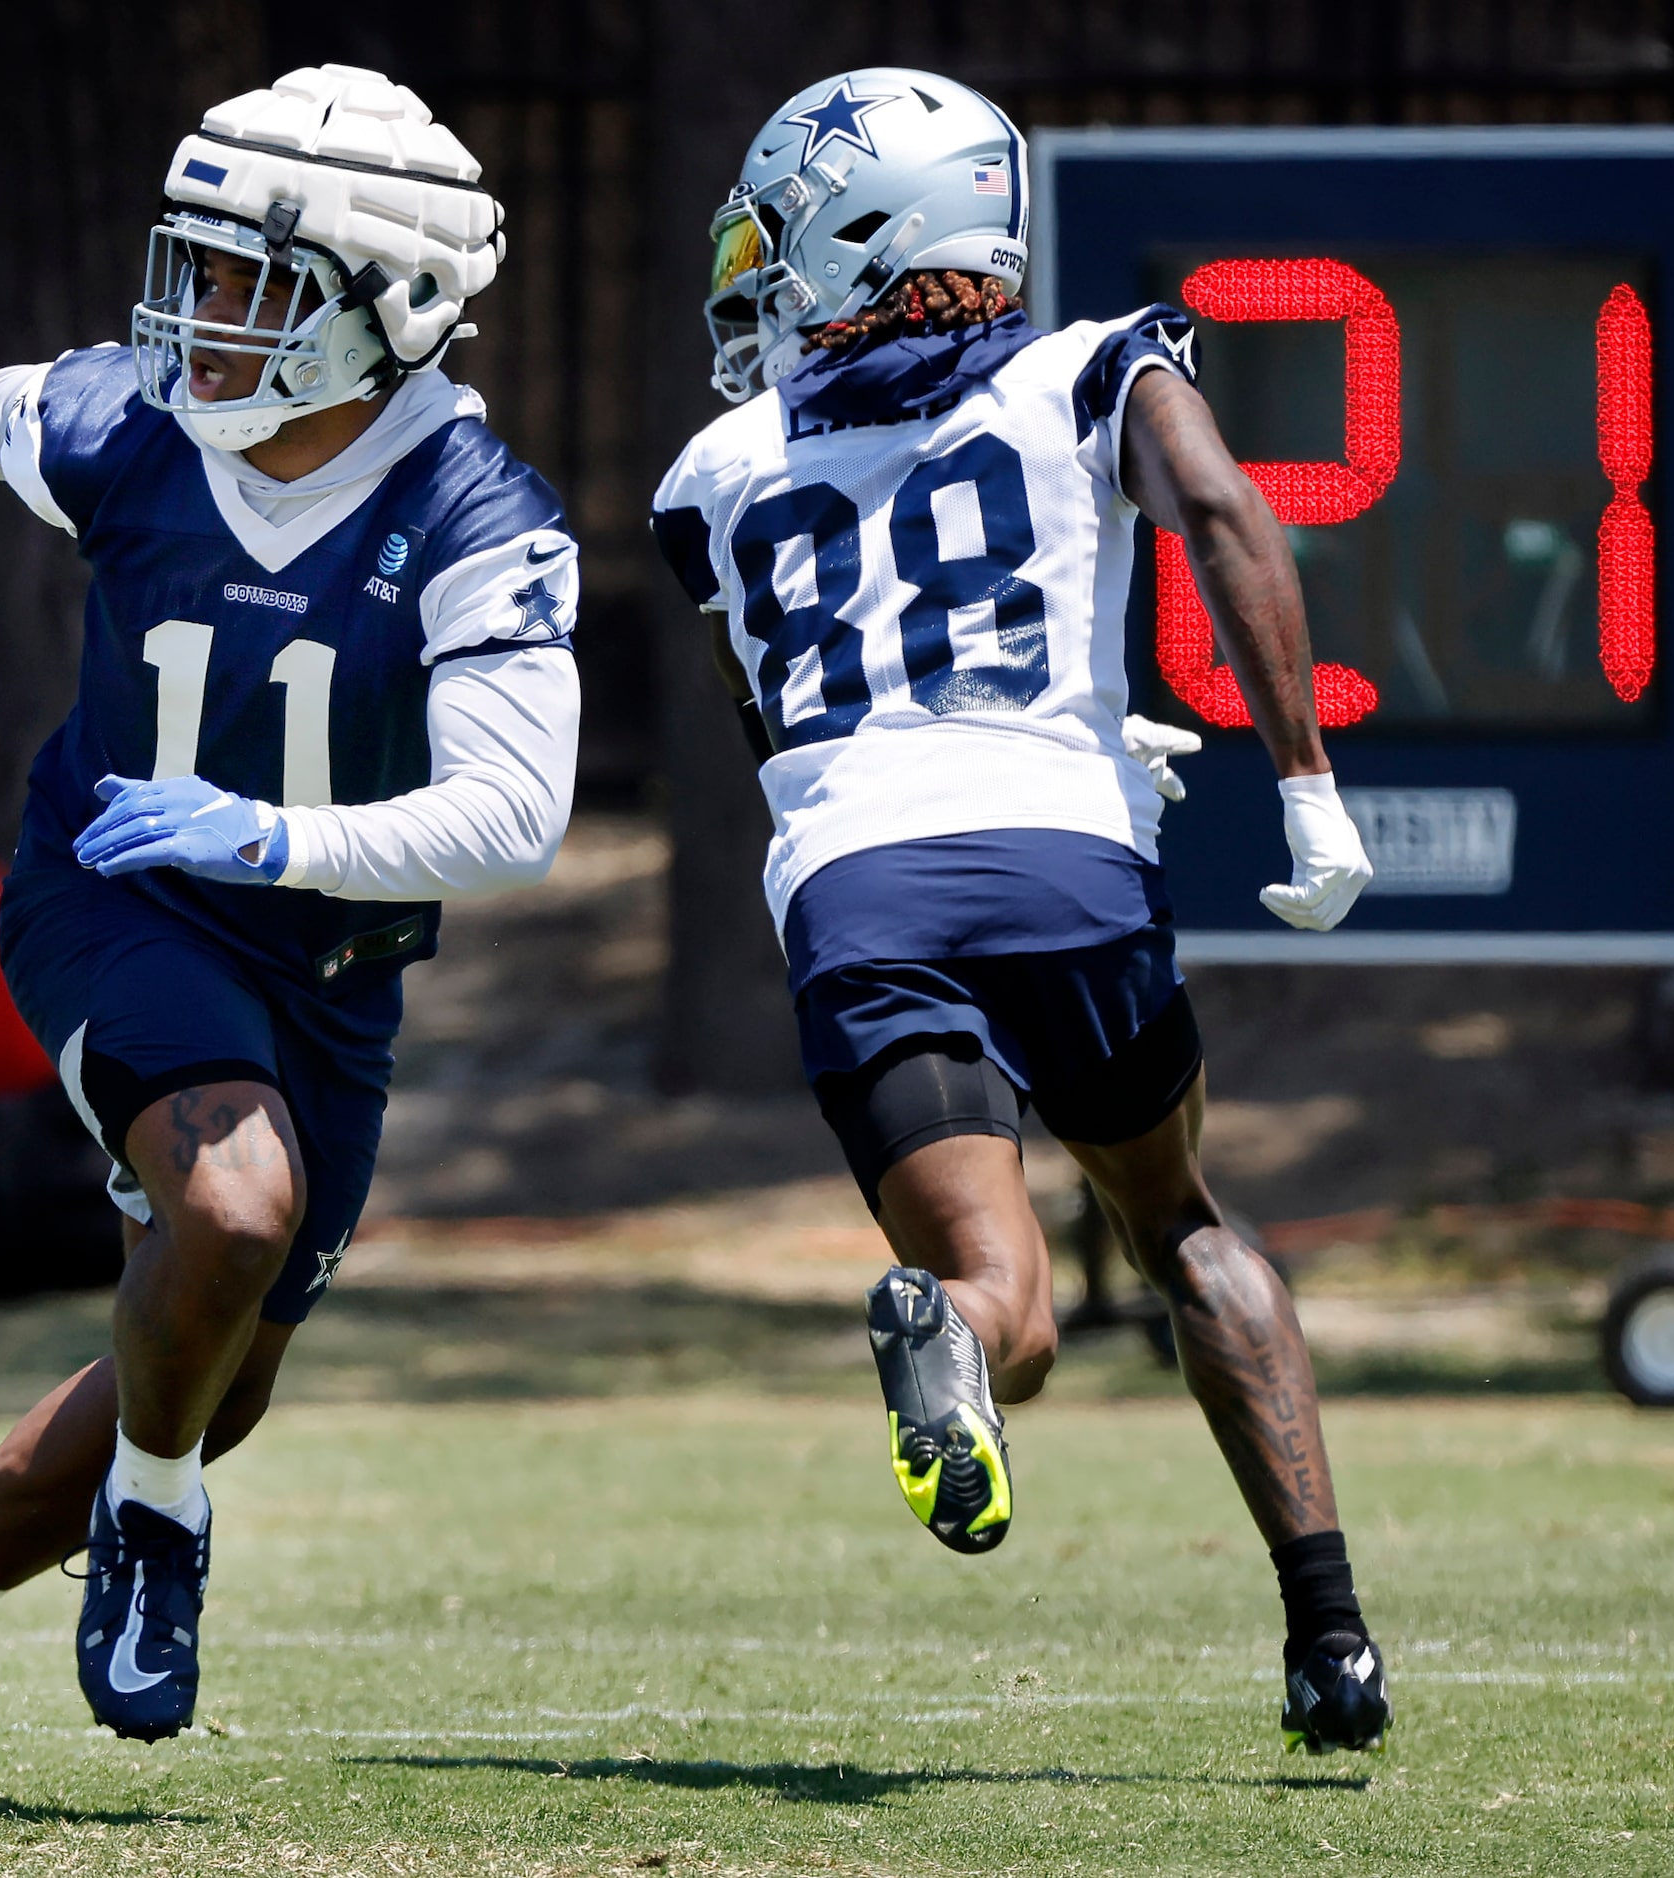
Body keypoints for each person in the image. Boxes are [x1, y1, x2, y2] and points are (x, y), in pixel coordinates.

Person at [0, 63, 581, 1809]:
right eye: (195, 268)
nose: (199, 319)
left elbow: (516, 821)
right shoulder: (130, 421)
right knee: (234, 1207)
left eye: (251, 284)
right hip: (112, 889)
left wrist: (275, 835)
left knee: (215, 1360)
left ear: (396, 307)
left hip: (333, 963)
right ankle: (155, 1516)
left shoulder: (474, 518)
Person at [650, 68, 1389, 1754]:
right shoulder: (1092, 362)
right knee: (1183, 1216)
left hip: (854, 883)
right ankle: (1329, 1634)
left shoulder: (714, 469)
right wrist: (1301, 779)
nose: (757, 285)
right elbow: (1224, 515)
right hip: (1063, 859)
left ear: (860, 240)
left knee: (1012, 1299)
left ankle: (957, 1334)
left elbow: (774, 716)